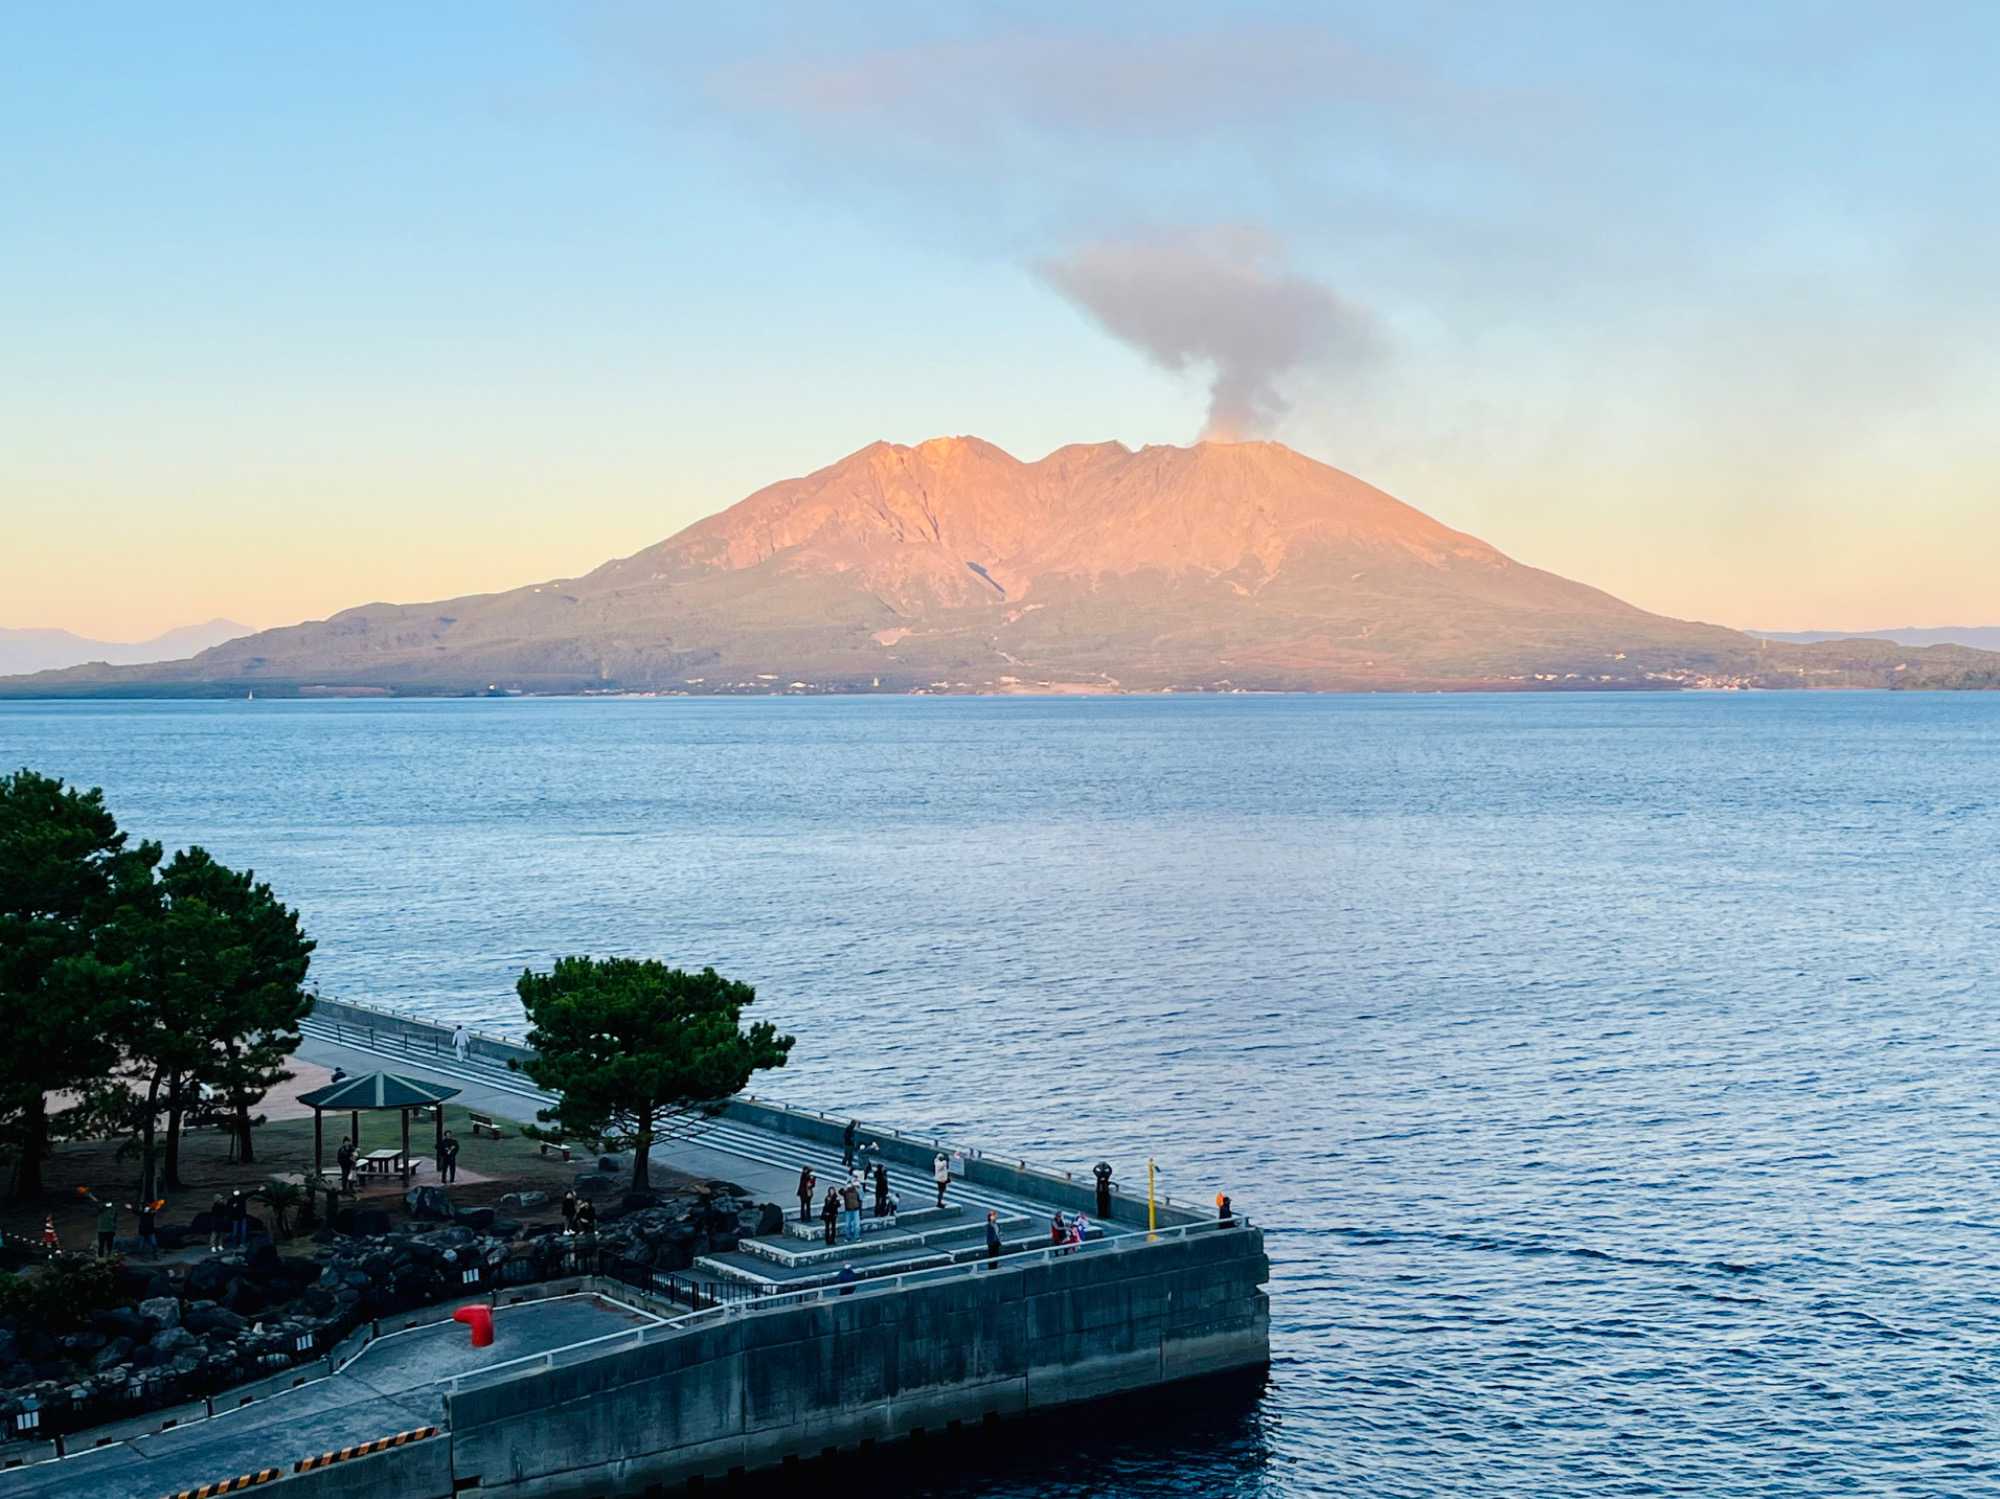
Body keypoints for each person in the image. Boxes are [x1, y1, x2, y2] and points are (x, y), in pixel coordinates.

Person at [89, 1193, 117, 1258]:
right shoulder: (101, 1209)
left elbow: (115, 1219)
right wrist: (101, 1206)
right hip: (102, 1230)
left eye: (109, 1202)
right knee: (101, 1245)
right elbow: (94, 1213)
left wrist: (114, 1227)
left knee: (110, 1245)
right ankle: (100, 1257)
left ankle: (109, 1256)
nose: (109, 1204)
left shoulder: (113, 1209)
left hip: (110, 1230)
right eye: (107, 1202)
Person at [839, 1175, 863, 1244]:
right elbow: (840, 1192)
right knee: (847, 1224)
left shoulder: (857, 1190)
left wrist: (859, 1188)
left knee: (857, 1224)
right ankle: (848, 1237)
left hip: (856, 1209)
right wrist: (846, 1188)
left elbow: (861, 1197)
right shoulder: (846, 1191)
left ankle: (857, 1236)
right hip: (848, 1209)